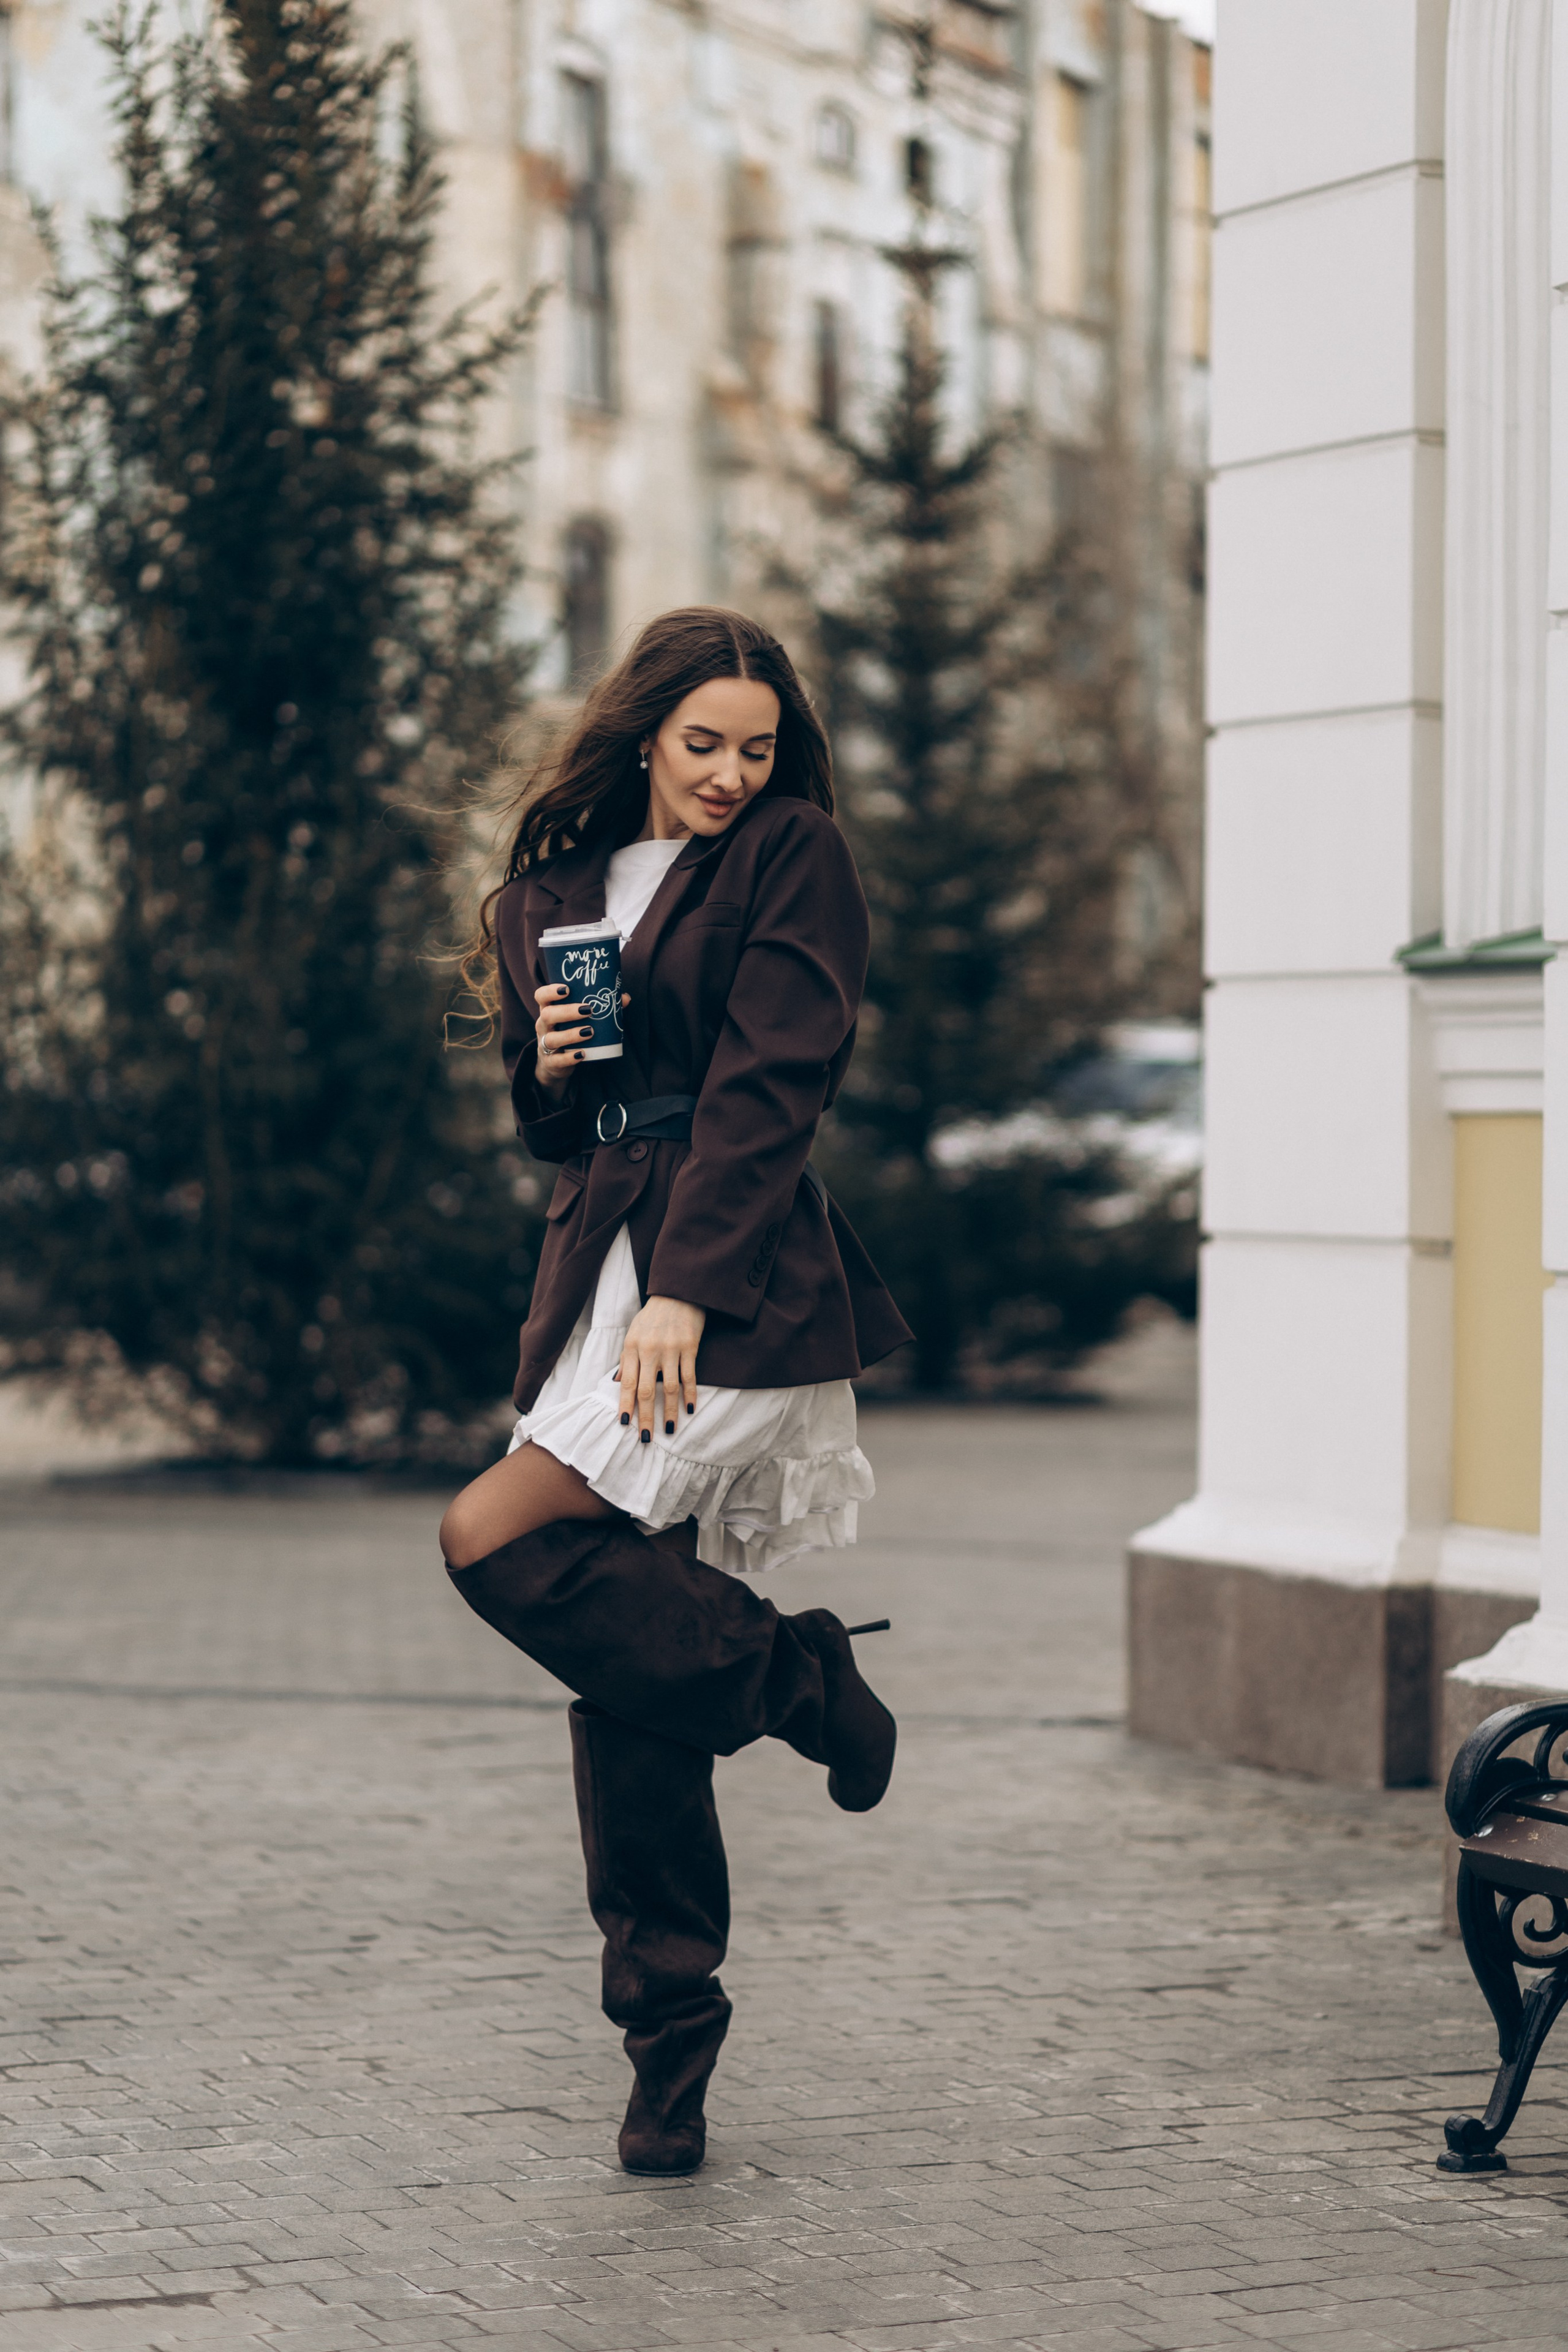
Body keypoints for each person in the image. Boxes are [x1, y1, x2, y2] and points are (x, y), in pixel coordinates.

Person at [440, 606, 911, 2176]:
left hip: (731, 1285)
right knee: (632, 1688)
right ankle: (668, 2043)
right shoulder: (553, 893)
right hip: (594, 1287)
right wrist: (547, 1066)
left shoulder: (791, 858)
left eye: (756, 748)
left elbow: (773, 1088)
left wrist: (687, 1293)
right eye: (703, 743)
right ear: (643, 731)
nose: (729, 773)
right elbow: (556, 1130)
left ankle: (796, 1682)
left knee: (492, 1535)